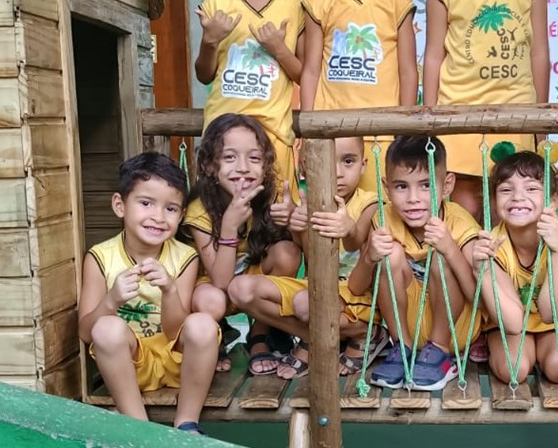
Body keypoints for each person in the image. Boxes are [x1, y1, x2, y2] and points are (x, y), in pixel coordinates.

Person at [422, 0, 548, 221]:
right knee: (463, 217)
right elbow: (433, 55)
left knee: (513, 218)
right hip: (458, 117)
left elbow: (540, 54)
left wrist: (540, 124)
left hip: (516, 115)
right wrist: (429, 125)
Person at [78, 153, 218, 435]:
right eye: (145, 203)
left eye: (171, 209)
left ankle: (187, 424)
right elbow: (84, 332)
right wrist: (111, 300)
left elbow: (175, 331)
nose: (158, 217)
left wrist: (169, 290)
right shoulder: (100, 257)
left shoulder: (185, 257)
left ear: (181, 215)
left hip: (177, 365)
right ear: (120, 205)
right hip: (129, 366)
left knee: (203, 323)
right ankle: (140, 430)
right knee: (105, 328)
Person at [226, 136, 380, 379]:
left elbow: (354, 241)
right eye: (327, 163)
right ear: (305, 167)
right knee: (240, 289)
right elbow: (311, 258)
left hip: (356, 296)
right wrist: (295, 224)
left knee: (305, 303)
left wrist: (348, 227)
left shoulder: (370, 203)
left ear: (363, 164)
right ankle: (312, 338)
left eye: (348, 161)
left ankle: (363, 332)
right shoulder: (305, 203)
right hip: (313, 290)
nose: (337, 173)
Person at [301, 0, 418, 192]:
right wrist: (308, 131)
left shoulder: (398, 2)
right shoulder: (317, 4)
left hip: (383, 138)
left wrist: (403, 133)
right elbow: (311, 70)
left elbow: (408, 71)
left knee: (382, 225)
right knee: (328, 223)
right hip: (332, 139)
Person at [349, 135, 487, 391]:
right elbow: (356, 288)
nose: (413, 198)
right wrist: (369, 257)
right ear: (386, 187)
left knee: (440, 257)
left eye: (425, 185)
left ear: (447, 185)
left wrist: (450, 249)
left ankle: (440, 351)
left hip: (456, 327)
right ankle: (401, 347)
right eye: (401, 186)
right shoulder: (384, 218)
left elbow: (478, 298)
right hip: (409, 326)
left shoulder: (460, 222)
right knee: (390, 255)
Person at [182, 113, 302, 376]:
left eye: (254, 158)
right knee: (210, 299)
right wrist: (228, 225)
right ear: (210, 166)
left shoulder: (269, 197)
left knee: (287, 253)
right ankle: (215, 337)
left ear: (266, 165)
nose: (244, 167)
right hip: (214, 287)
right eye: (229, 157)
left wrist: (293, 220)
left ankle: (259, 337)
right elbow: (222, 282)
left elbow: (299, 253)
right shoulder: (199, 209)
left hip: (249, 283)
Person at [197, 0, 306, 194]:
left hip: (273, 139)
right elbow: (204, 74)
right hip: (222, 138)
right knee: (220, 219)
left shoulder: (296, 8)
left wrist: (278, 48)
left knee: (277, 223)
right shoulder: (216, 4)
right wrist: (210, 40)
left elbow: (303, 74)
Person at [478, 149, 558, 385]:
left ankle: (543, 350)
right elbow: (514, 323)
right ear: (494, 200)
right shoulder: (493, 243)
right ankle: (518, 348)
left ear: (553, 200)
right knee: (513, 368)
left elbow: (552, 313)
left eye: (531, 189)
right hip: (514, 323)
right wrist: (483, 271)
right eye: (506, 190)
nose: (517, 197)